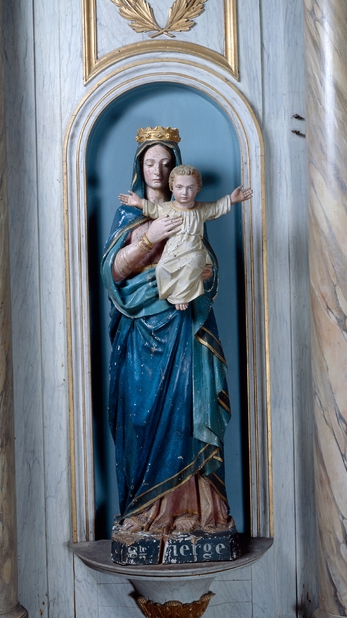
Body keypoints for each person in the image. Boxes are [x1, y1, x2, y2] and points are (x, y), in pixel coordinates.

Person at [101, 127, 235, 535]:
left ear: (176, 169)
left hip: (183, 327)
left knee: (187, 411)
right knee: (142, 418)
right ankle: (144, 512)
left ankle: (194, 511)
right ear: (139, 166)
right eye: (150, 162)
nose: (157, 170)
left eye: (165, 163)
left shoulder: (189, 213)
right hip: (141, 332)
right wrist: (149, 240)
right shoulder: (130, 215)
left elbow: (205, 265)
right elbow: (114, 273)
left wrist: (205, 274)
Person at [119, 164, 252, 310]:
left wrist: (231, 199)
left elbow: (216, 207)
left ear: (197, 189)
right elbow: (153, 209)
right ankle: (172, 293)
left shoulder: (201, 209)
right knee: (162, 269)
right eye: (179, 187)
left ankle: (180, 297)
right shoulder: (167, 208)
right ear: (172, 187)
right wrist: (138, 202)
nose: (184, 192)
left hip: (194, 249)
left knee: (191, 265)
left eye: (190, 188)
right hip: (173, 250)